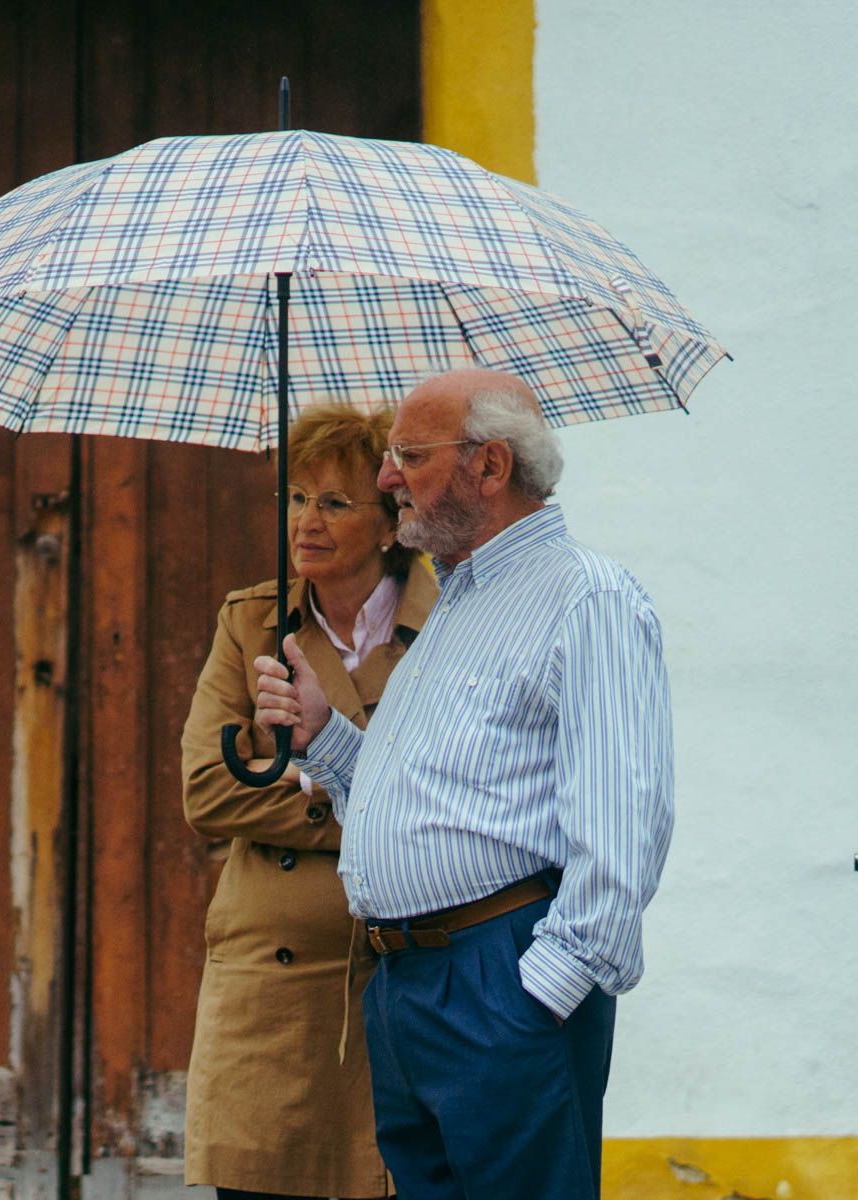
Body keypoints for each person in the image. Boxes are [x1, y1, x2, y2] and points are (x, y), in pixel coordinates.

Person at [252, 369, 675, 1200]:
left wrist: (536, 1000)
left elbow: (624, 826)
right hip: (408, 986)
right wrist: (325, 737)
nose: (384, 478)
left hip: (498, 977)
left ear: (489, 466)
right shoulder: (458, 599)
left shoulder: (585, 598)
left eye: (408, 454)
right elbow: (441, 796)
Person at [181, 402, 436, 1200]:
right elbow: (209, 790)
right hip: (270, 988)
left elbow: (445, 799)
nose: (306, 521)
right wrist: (365, 806)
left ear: (392, 521)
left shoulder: (454, 624)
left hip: (402, 970)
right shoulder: (253, 622)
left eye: (333, 502)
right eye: (296, 498)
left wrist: (305, 773)